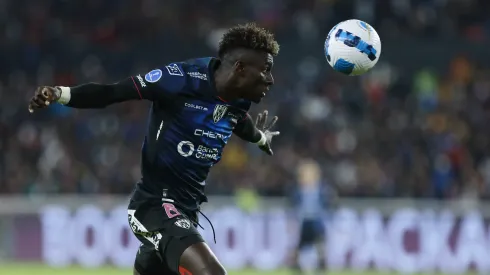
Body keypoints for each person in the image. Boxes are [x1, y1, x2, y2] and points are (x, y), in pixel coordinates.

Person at [28, 23, 280, 275]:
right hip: (154, 205)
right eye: (266, 70)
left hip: (187, 212)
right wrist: (58, 93)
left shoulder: (238, 102)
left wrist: (260, 138)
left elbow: (240, 122)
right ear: (240, 68)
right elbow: (112, 92)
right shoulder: (180, 79)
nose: (270, 78)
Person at [290, 159, 336, 274]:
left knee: (319, 242)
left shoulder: (321, 189)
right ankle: (296, 264)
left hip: (316, 220)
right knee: (301, 243)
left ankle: (321, 263)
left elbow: (327, 202)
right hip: (305, 220)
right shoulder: (299, 190)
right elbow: (295, 203)